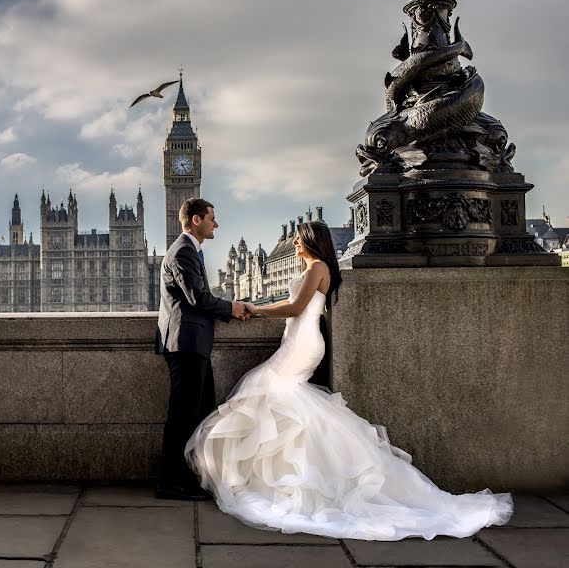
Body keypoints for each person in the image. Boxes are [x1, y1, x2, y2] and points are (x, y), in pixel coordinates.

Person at [185, 220, 513, 540]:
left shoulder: (316, 269)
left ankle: (288, 480)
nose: (296, 243)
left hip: (301, 343)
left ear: (311, 241)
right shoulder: (316, 268)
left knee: (269, 391)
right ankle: (294, 473)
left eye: (300, 239)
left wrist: (253, 310)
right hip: (301, 340)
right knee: (285, 400)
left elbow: (296, 306)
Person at [155, 198, 250, 501]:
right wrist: (231, 308)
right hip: (185, 344)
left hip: (192, 343)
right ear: (196, 220)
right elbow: (198, 298)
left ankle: (187, 477)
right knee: (183, 416)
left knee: (198, 412)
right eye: (212, 218)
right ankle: (170, 482)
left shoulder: (189, 250)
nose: (215, 224)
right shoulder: (183, 251)